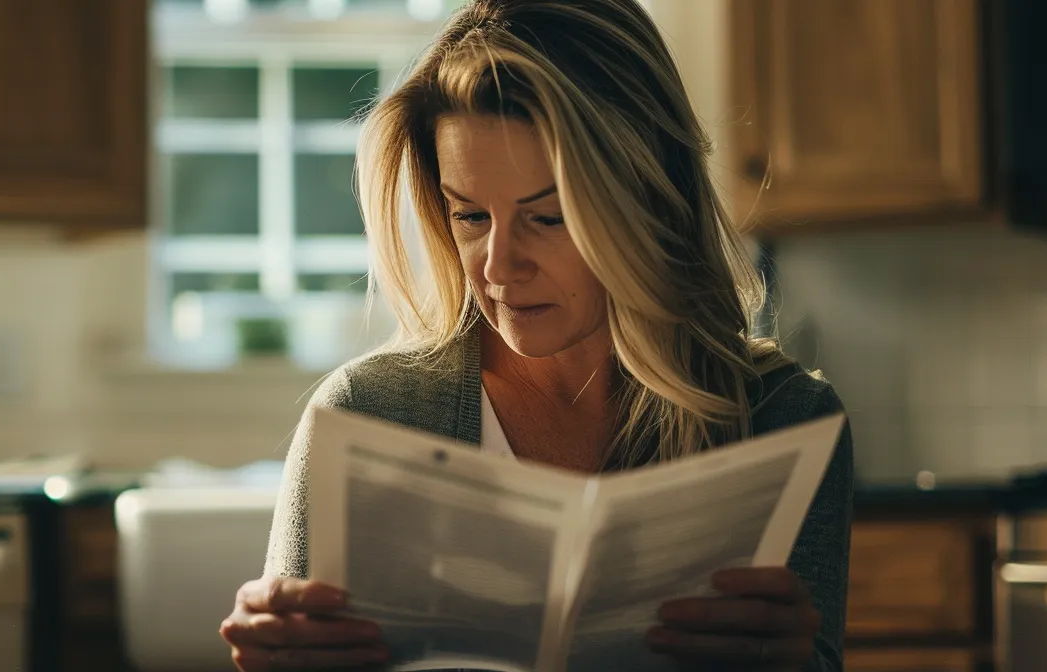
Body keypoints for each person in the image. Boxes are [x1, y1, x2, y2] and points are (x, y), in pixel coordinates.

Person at [218, 0, 853, 670]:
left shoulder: (782, 421)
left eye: (546, 218)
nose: (496, 267)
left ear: (647, 197)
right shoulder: (367, 417)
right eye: (469, 215)